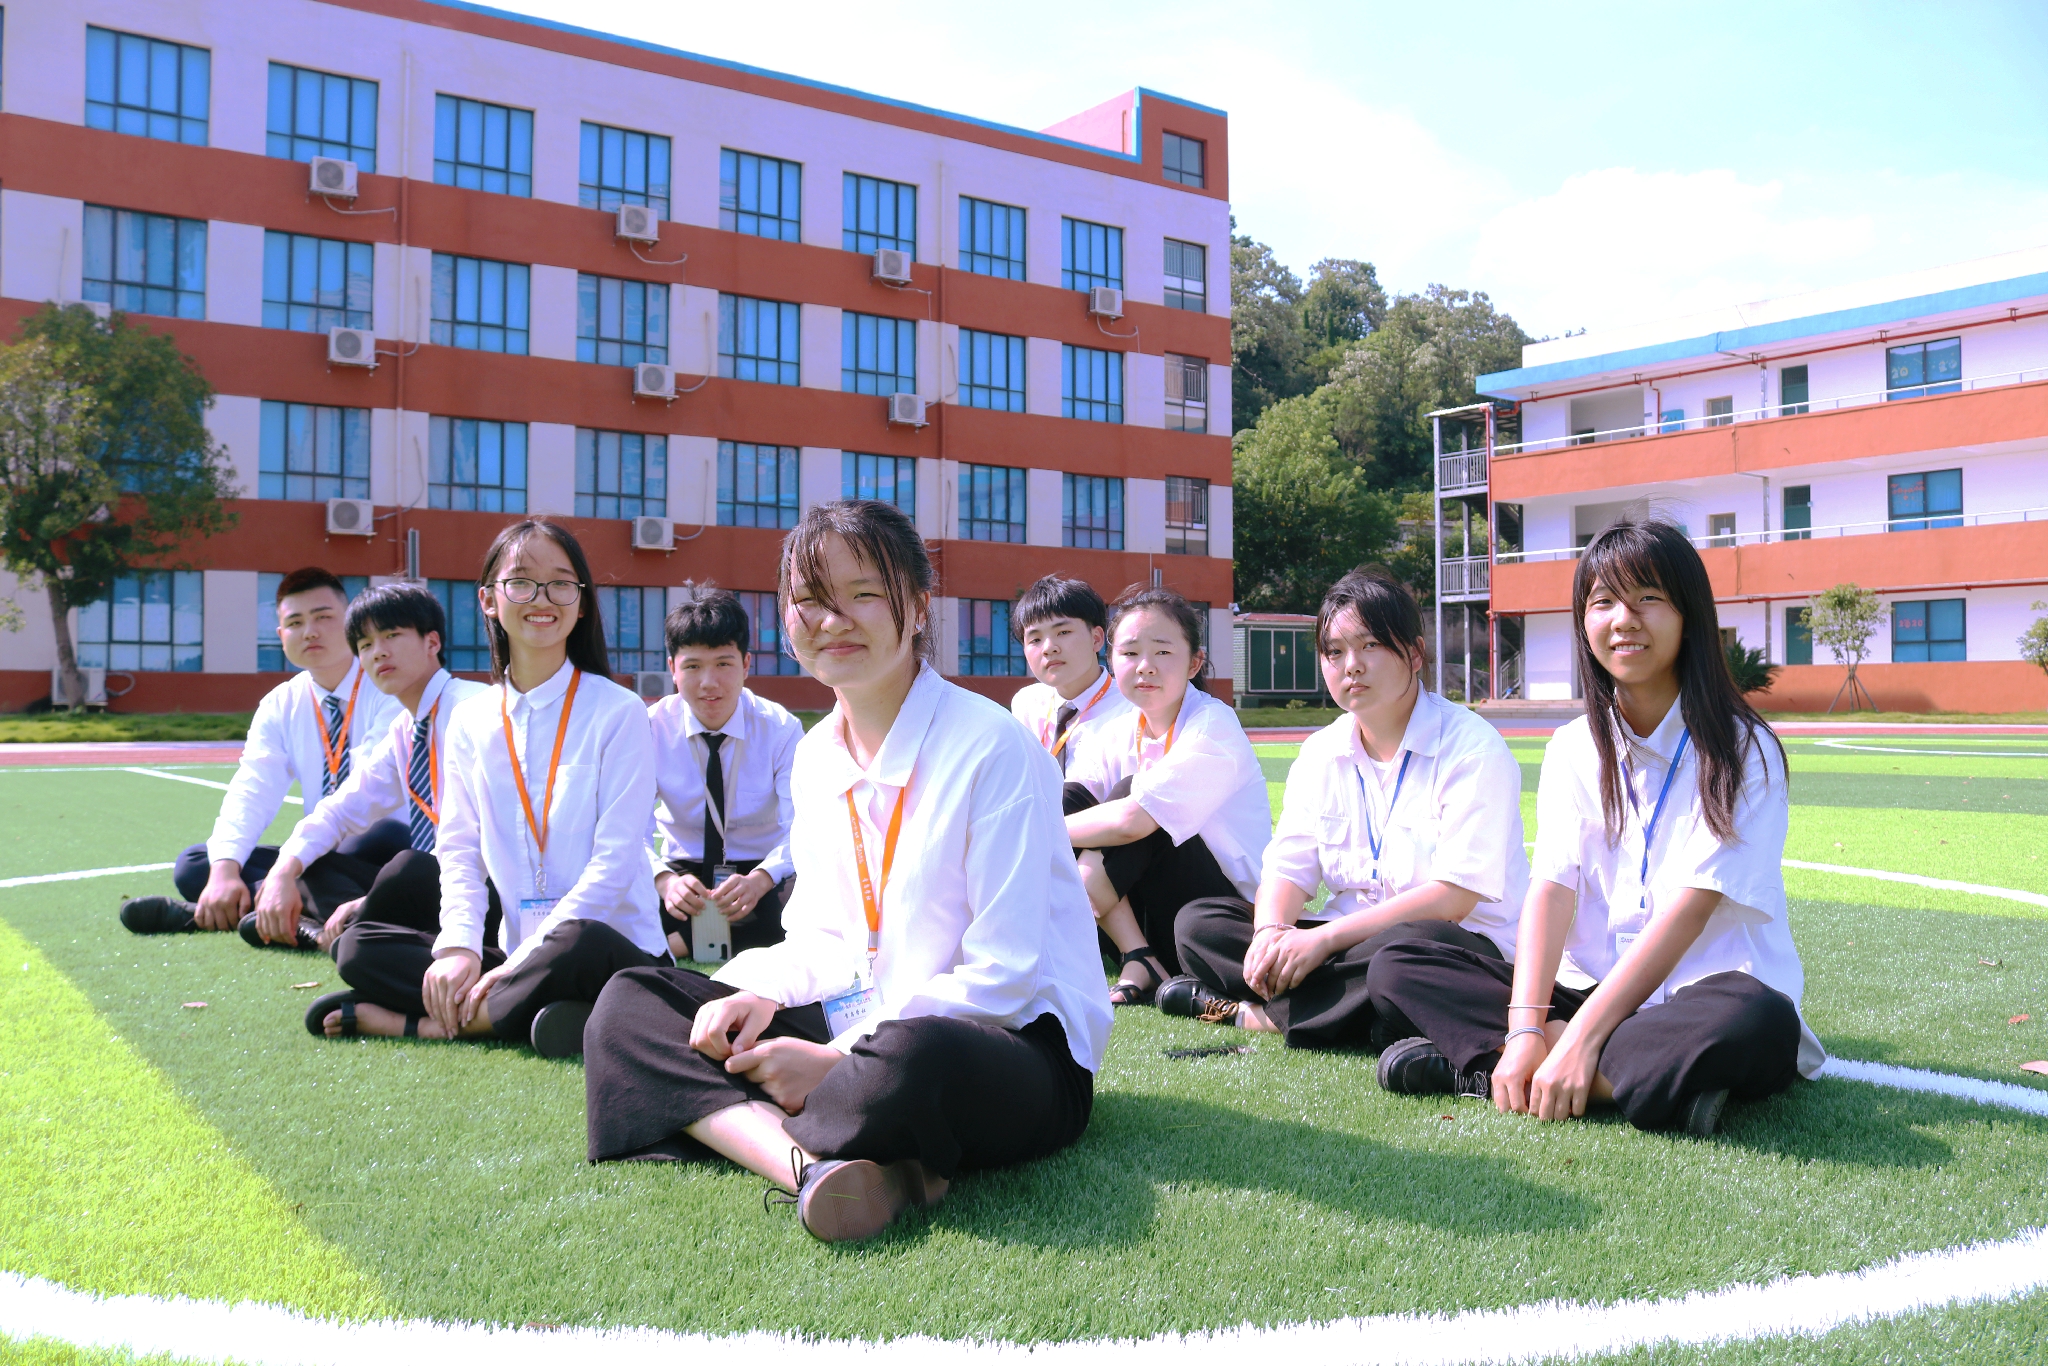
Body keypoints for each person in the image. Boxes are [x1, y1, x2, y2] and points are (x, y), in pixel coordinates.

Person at [583, 500, 1109, 1244]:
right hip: (861, 1014)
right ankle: (814, 1168)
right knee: (631, 1002)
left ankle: (761, 1119)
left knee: (909, 1058)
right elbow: (824, 936)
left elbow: (1007, 977)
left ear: (919, 607)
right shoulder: (815, 753)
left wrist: (832, 1062)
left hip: (1007, 1046)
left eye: (863, 594)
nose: (833, 620)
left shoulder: (991, 748)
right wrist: (758, 992)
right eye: (809, 600)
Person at [1366, 520, 1823, 1136]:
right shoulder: (1572, 748)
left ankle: (1508, 1075)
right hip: (1589, 990)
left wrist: (1579, 1039)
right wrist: (1529, 1027)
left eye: (1649, 600)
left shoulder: (1745, 750)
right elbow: (1552, 890)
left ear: (1689, 615)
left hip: (1699, 997)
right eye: (1603, 601)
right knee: (1403, 957)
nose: (1623, 620)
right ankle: (1646, 1087)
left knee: (1761, 1020)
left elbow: (1693, 907)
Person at [303, 520, 667, 1059]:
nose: (542, 599)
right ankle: (542, 1014)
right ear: (490, 601)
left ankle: (420, 1025)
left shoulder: (620, 712)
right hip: (521, 957)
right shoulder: (473, 721)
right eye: (521, 582)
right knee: (360, 946)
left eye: (561, 583)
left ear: (582, 603)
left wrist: (516, 964)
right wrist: (458, 949)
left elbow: (614, 866)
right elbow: (460, 851)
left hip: (610, 949)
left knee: (577, 939)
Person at [1158, 568, 1530, 1047]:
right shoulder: (1320, 751)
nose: (1351, 665)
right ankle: (1374, 1018)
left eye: (1370, 645)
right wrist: (1272, 933)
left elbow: (1452, 901)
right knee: (1199, 924)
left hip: (1453, 948)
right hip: (1346, 945)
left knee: (1404, 955)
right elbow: (1288, 868)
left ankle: (1268, 1015)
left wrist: (1321, 943)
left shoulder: (1473, 749)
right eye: (1335, 651)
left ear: (1415, 653)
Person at [119, 568, 405, 942]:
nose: (310, 631)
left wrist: (285, 870)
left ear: (352, 623)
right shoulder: (280, 703)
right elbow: (253, 788)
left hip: (387, 851)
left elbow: (365, 792)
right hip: (318, 857)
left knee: (371, 837)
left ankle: (216, 915)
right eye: (295, 622)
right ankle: (305, 919)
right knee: (197, 865)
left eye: (323, 617)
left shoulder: (390, 687)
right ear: (280, 637)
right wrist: (224, 870)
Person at [254, 583, 487, 969]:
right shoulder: (405, 729)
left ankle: (336, 929)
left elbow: (490, 837)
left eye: (392, 635)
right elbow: (342, 811)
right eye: (364, 644)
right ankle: (345, 927)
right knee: (309, 864)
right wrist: (282, 872)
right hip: (436, 889)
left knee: (407, 870)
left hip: (485, 887)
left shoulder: (475, 710)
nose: (377, 651)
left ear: (432, 642)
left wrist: (376, 897)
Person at [1065, 587, 1271, 1006]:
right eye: (1129, 654)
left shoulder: (1214, 724)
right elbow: (1072, 806)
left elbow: (1132, 822)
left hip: (1217, 919)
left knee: (1134, 798)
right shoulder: (1118, 729)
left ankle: (1067, 926)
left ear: (1194, 662)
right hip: (1142, 914)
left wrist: (1034, 832)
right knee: (1070, 801)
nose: (1145, 667)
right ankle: (1137, 956)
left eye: (1162, 653)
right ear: (1110, 661)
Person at [648, 586, 803, 963]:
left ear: (747, 664)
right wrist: (663, 880)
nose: (708, 683)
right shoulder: (649, 729)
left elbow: (800, 826)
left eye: (723, 663)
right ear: (672, 669)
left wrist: (760, 880)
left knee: (805, 903)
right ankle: (740, 938)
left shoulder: (780, 728)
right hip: (683, 870)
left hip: (760, 868)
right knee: (621, 900)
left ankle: (677, 944)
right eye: (693, 666)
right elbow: (625, 829)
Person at [1007, 575, 1132, 785]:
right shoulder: (1028, 703)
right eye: (1035, 639)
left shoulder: (1131, 708)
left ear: (1096, 639)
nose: (1049, 648)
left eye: (1063, 632)